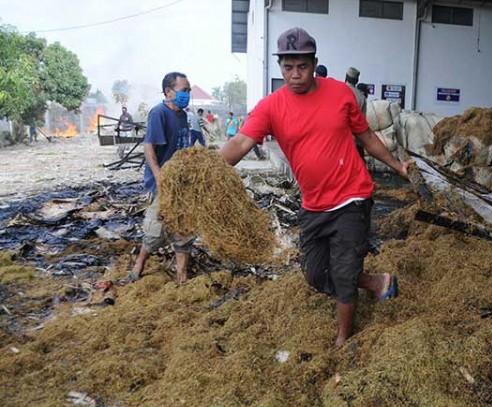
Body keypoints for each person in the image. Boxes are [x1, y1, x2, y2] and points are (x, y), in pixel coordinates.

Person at [219, 27, 408, 347]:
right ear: (280, 66)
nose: (295, 75)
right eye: (288, 67)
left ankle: (343, 341)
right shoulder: (271, 106)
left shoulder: (340, 94)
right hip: (313, 205)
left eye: (302, 66)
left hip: (353, 197)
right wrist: (207, 168)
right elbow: (240, 142)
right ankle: (378, 281)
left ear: (315, 62)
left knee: (344, 275)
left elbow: (368, 138)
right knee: (316, 275)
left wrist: (398, 166)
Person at [127, 71, 194, 285]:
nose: (188, 94)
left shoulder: (183, 116)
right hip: (163, 183)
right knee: (156, 231)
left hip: (181, 183)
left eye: (189, 91)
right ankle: (139, 264)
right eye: (184, 90)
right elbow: (149, 147)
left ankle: (182, 277)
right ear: (168, 91)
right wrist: (159, 176)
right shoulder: (159, 113)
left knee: (184, 228)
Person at [345, 67, 367, 159]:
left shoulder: (339, 91)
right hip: (355, 142)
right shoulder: (361, 97)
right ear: (357, 80)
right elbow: (362, 121)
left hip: (341, 141)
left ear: (346, 76)